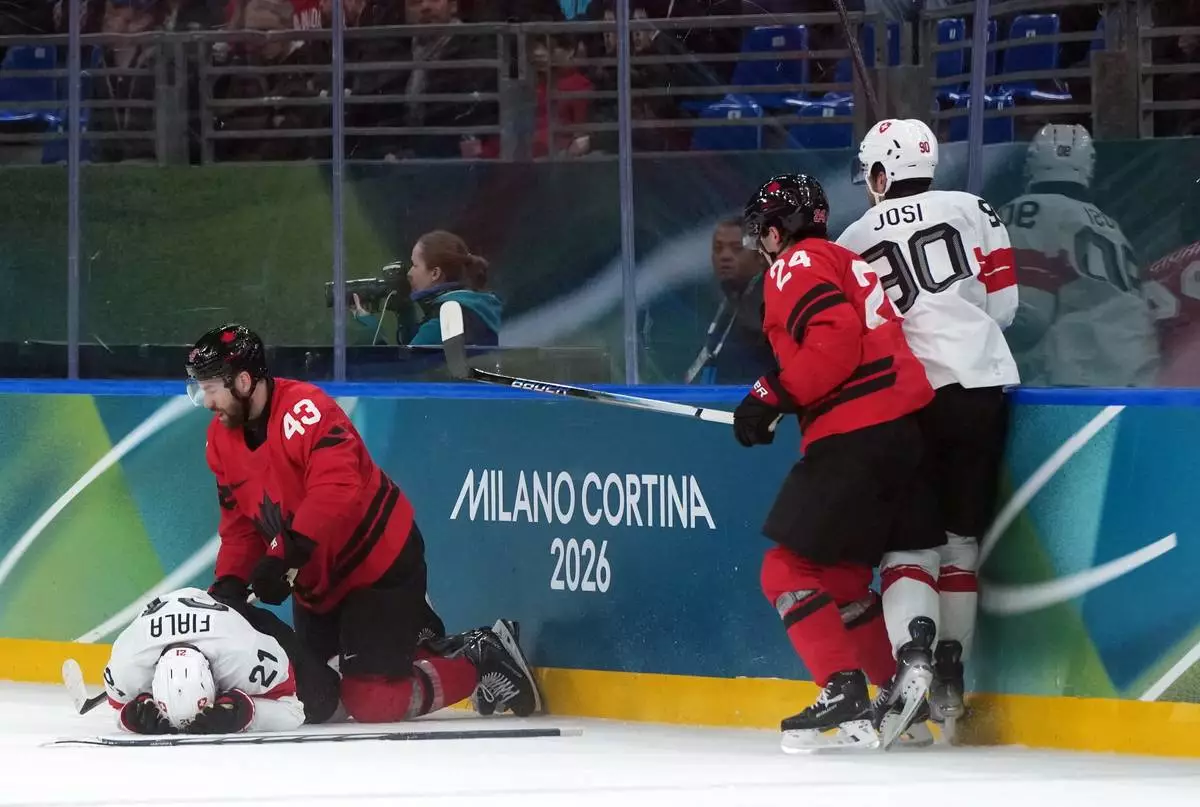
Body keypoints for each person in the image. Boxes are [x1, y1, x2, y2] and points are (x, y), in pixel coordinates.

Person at [186, 323, 540, 724]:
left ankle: (480, 654)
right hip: (318, 583)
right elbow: (240, 524)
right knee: (316, 701)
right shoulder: (220, 440)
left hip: (377, 565)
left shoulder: (306, 409)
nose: (205, 400)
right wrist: (230, 585)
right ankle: (418, 635)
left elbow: (338, 486)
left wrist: (285, 551)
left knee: (373, 701)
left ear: (244, 380)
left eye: (210, 387)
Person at [735, 173, 944, 752]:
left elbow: (834, 338)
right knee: (841, 580)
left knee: (786, 572)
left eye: (763, 232)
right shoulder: (842, 259)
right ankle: (895, 701)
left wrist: (770, 393)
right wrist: (783, 399)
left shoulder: (796, 265)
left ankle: (842, 688)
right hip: (901, 434)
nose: (762, 245)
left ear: (778, 230)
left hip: (855, 435)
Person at [836, 117, 1019, 738]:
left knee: (908, 545)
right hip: (979, 382)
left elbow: (854, 333)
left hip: (904, 399)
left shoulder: (854, 236)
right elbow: (1005, 302)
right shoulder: (973, 206)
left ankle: (911, 654)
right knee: (959, 541)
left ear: (882, 173)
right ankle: (949, 675)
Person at [997, 123, 1159, 387]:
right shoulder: (1107, 224)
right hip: (1134, 364)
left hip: (1073, 375)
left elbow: (1026, 318)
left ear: (1031, 163)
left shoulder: (1021, 213)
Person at [101, 586, 315, 735]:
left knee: (320, 703)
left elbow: (296, 709)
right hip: (197, 622)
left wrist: (246, 712)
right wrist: (132, 716)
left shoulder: (243, 653)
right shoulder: (127, 664)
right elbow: (118, 710)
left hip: (233, 614)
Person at [353, 231, 502, 348]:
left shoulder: (444, 320)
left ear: (435, 273)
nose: (409, 273)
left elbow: (402, 372)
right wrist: (405, 312)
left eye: (415, 265)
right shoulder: (473, 307)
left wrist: (372, 330)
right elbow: (425, 356)